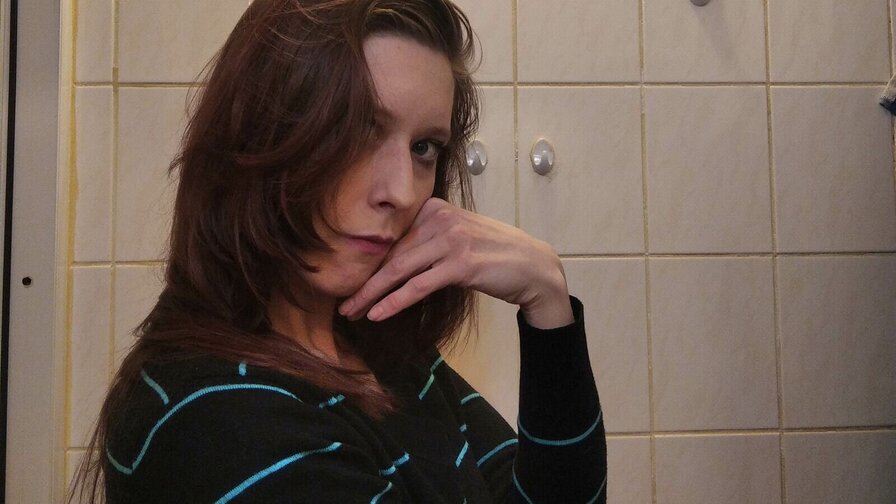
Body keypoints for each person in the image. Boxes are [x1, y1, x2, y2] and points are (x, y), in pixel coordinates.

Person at [72, 0, 607, 502]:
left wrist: (547, 301)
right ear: (261, 131)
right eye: (358, 131)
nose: (401, 191)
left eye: (424, 147)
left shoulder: (374, 348)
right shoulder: (216, 420)